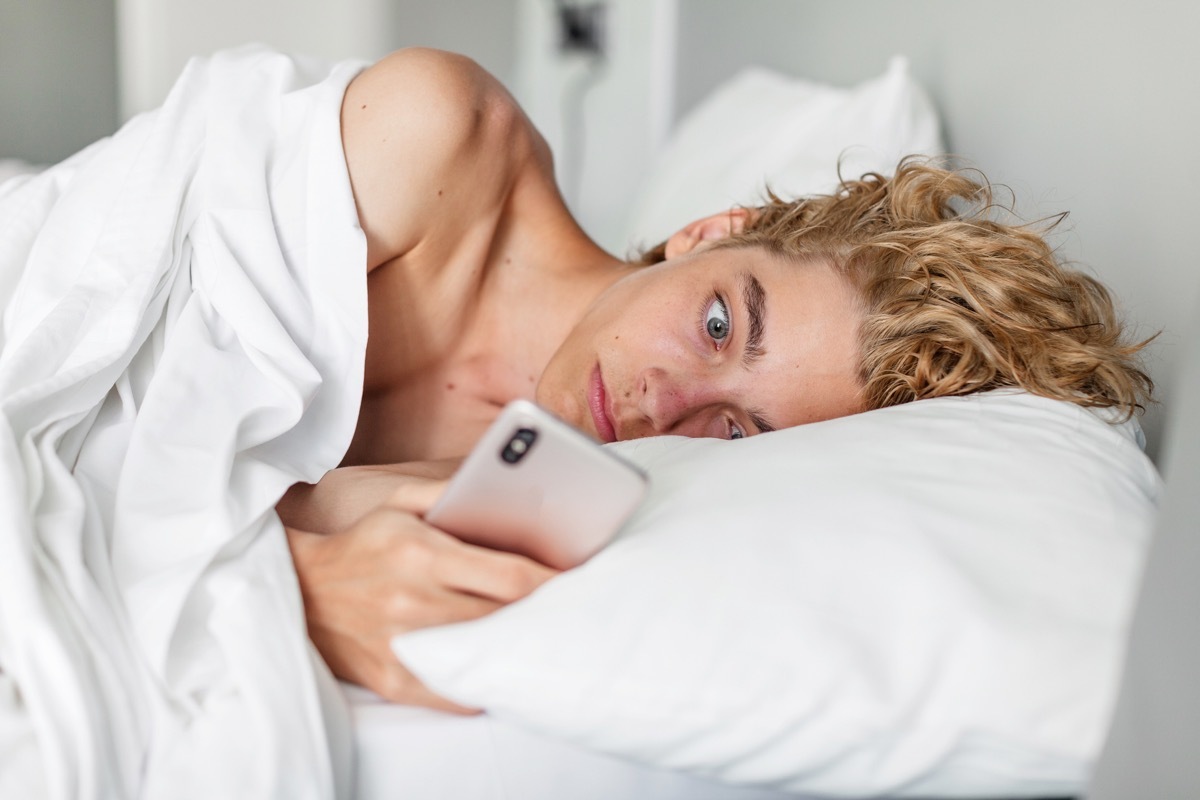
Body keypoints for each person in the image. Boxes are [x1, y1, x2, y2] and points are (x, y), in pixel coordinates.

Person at [275, 48, 1154, 710]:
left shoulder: (525, 502)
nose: (668, 405)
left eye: (737, 431)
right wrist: (299, 587)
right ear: (706, 233)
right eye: (720, 325)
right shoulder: (442, 141)